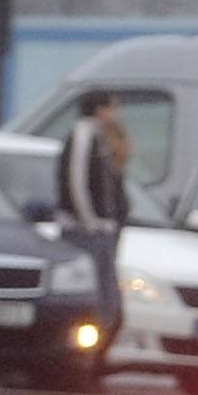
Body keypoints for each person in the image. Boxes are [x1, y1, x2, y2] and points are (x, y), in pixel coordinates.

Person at [55, 89, 132, 347]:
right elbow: (76, 181)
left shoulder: (102, 138)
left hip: (104, 230)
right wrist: (90, 221)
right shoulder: (82, 134)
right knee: (98, 302)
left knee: (110, 304)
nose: (116, 113)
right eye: (113, 107)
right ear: (100, 109)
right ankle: (88, 356)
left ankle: (97, 356)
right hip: (88, 232)